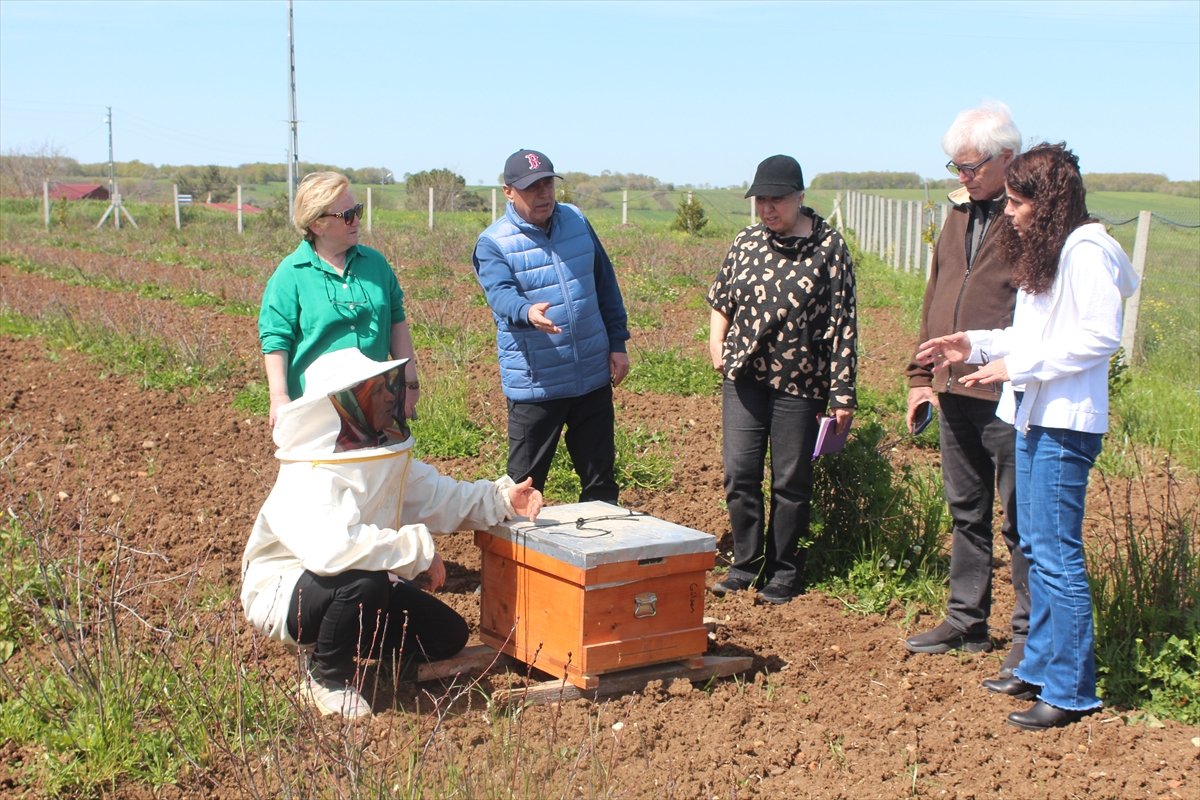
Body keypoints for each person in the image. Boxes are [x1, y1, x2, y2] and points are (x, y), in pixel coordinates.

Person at [917, 143, 1138, 730]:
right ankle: (1038, 666)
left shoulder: (1086, 252)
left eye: (1017, 202)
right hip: (1034, 416)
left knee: (1057, 556)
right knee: (1038, 549)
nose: (1009, 212)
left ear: (1049, 202)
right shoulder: (1051, 252)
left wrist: (1019, 368)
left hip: (1066, 422)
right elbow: (1031, 333)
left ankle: (1071, 690)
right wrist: (974, 345)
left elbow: (1099, 338)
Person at [241, 347, 544, 719]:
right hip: (286, 592)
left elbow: (439, 497)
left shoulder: (379, 456)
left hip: (355, 578)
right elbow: (333, 551)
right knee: (362, 583)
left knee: (445, 635)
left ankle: (340, 643)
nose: (389, 396)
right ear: (346, 404)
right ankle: (326, 677)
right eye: (376, 390)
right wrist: (417, 551)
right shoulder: (310, 474)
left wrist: (502, 500)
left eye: (389, 386)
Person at [904, 101, 1031, 677]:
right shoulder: (958, 213)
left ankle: (1028, 636)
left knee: (1020, 521)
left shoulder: (1031, 218)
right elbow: (935, 294)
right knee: (966, 510)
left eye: (972, 166)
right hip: (954, 386)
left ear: (1007, 157)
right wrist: (921, 378)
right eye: (955, 166)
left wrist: (1010, 363)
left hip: (1007, 392)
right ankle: (966, 619)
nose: (963, 176)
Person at [706, 155, 857, 605]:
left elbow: (843, 323)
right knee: (740, 473)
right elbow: (723, 298)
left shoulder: (829, 247)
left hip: (801, 381)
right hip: (744, 376)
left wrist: (842, 392)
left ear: (800, 197)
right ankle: (745, 565)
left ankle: (785, 571)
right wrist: (716, 343)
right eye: (761, 200)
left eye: (777, 200)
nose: (767, 209)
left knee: (790, 481)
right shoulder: (747, 241)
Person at [472, 149, 630, 503]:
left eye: (547, 184)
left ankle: (602, 536)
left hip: (591, 375)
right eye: (532, 187)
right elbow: (500, 294)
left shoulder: (577, 220)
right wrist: (527, 311)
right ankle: (514, 541)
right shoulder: (494, 243)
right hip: (537, 384)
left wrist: (617, 343)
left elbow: (605, 283)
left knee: (601, 482)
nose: (543, 194)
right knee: (523, 488)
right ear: (508, 191)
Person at [259, 171, 420, 427]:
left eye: (357, 211)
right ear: (317, 225)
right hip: (315, 410)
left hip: (373, 405)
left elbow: (396, 322)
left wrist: (409, 383)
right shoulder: (291, 274)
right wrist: (279, 397)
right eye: (346, 215)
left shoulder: (375, 264)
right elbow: (276, 339)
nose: (356, 221)